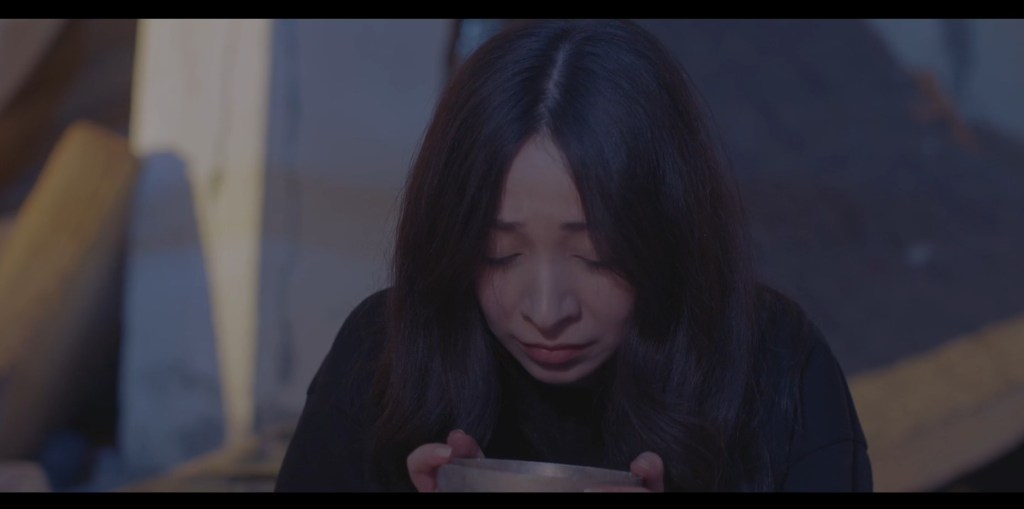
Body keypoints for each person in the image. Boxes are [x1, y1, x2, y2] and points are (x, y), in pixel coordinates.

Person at [275, 19, 872, 492]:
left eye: (597, 256)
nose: (546, 310)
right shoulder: (382, 355)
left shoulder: (773, 365)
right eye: (499, 253)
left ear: (668, 235)